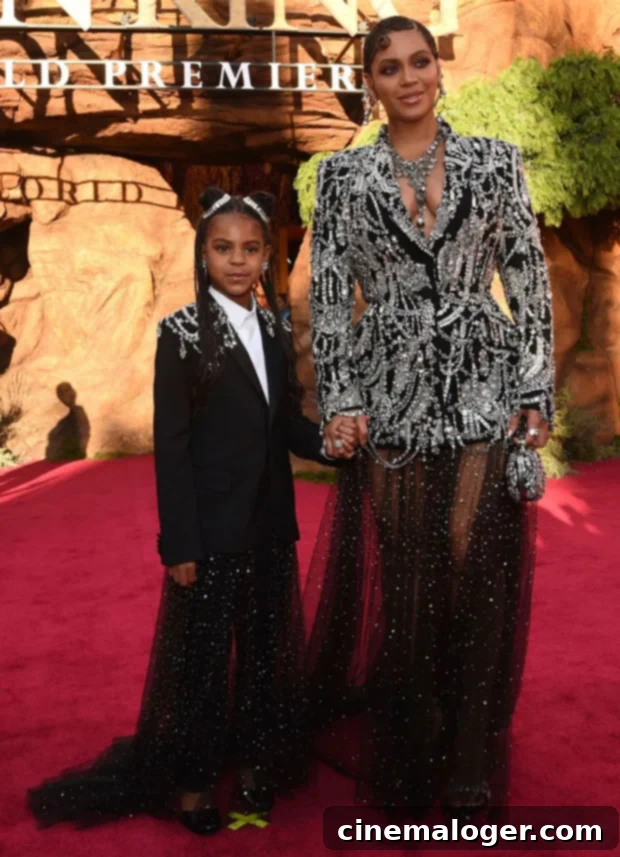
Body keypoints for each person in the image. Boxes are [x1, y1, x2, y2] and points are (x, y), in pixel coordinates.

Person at [26, 188, 356, 836]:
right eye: (223, 248)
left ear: (266, 256)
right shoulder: (178, 335)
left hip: (269, 528)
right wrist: (179, 542)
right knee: (201, 666)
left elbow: (285, 422)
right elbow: (171, 448)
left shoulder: (273, 327)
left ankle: (259, 767)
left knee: (265, 658)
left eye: (251, 249)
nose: (237, 260)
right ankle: (193, 782)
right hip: (207, 535)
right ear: (203, 254)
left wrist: (333, 445)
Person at [304, 15, 555, 819]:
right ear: (370, 83)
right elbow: (330, 295)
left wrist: (535, 387)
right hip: (392, 394)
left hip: (484, 378)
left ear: (438, 71)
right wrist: (341, 396)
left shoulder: (492, 161)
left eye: (420, 62)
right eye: (389, 67)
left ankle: (472, 755)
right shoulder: (342, 181)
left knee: (473, 567)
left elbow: (528, 274)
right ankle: (415, 745)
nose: (408, 78)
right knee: (411, 574)